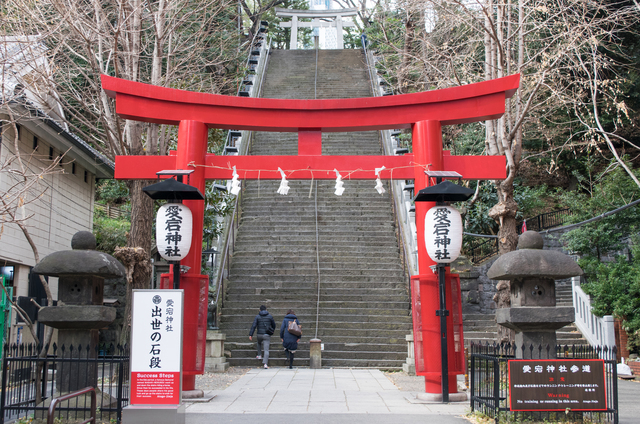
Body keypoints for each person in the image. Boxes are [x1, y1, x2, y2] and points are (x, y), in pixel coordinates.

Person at [249, 305, 276, 369]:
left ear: (259, 310)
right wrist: (272, 330)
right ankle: (265, 364)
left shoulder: (257, 317)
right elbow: (274, 325)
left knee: (259, 342)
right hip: (267, 335)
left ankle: (259, 355)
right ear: (266, 310)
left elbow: (254, 326)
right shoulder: (270, 316)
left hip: (259, 334)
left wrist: (251, 334)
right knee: (266, 349)